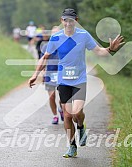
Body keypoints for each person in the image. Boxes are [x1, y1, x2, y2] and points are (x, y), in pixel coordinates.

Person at [28, 8, 124, 158]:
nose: (68, 23)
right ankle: (72, 146)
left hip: (79, 81)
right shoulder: (56, 38)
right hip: (63, 81)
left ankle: (80, 126)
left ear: (76, 21)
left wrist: (110, 49)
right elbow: (45, 57)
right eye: (65, 20)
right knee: (67, 115)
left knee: (77, 113)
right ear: (62, 21)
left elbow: (99, 51)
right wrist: (35, 75)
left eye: (71, 20)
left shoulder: (83, 36)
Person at [40, 26, 64, 124]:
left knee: (63, 97)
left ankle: (61, 109)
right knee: (51, 96)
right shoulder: (46, 46)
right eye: (53, 33)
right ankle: (55, 116)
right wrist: (42, 73)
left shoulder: (64, 45)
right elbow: (42, 60)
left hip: (61, 74)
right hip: (49, 73)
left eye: (57, 33)